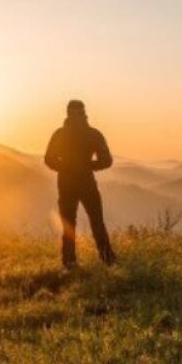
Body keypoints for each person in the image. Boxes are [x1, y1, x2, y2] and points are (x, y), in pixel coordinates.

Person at [44, 99, 116, 268]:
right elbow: (107, 160)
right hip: (87, 183)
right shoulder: (93, 134)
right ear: (84, 113)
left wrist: (65, 167)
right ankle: (108, 259)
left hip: (66, 184)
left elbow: (48, 159)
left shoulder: (60, 134)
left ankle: (69, 262)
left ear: (67, 112)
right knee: (97, 222)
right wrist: (88, 166)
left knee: (69, 224)